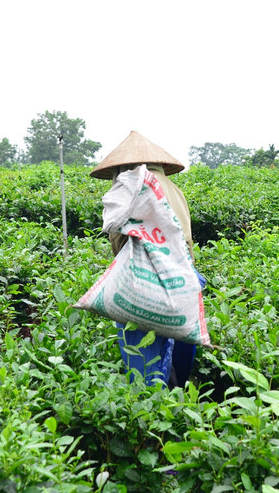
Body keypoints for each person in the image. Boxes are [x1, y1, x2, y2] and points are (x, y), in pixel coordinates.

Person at [90, 130, 199, 388]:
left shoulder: (128, 187)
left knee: (142, 351)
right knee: (177, 339)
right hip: (183, 276)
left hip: (144, 280)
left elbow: (117, 238)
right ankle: (177, 391)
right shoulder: (175, 189)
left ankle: (149, 405)